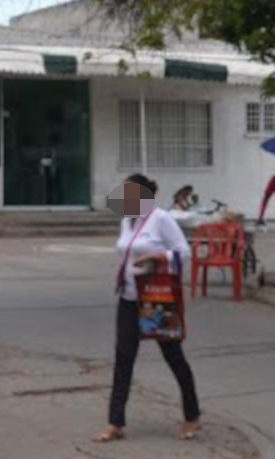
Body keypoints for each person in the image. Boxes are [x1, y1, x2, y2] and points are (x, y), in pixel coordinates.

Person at [96, 173, 200, 443]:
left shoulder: (161, 219)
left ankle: (192, 415)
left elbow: (184, 253)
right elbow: (126, 251)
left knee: (173, 356)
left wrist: (158, 256)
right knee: (123, 359)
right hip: (129, 298)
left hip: (157, 299)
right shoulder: (126, 220)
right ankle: (115, 422)